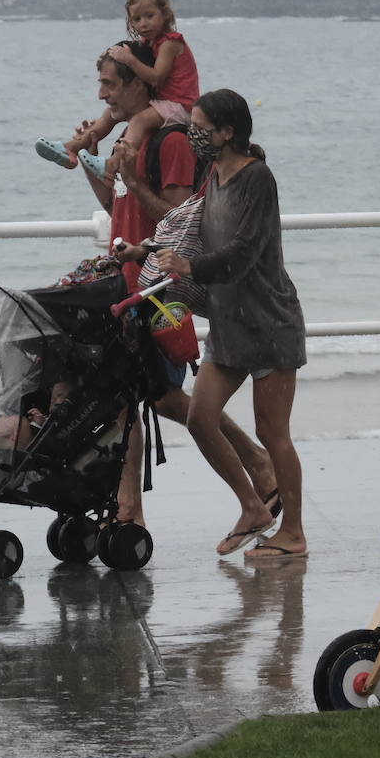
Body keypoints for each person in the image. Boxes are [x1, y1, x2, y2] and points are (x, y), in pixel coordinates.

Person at [76, 47, 279, 529]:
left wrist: (130, 179)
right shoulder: (130, 138)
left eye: (109, 84)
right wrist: (93, 164)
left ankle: (133, 514)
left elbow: (182, 218)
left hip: (158, 286)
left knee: (153, 395)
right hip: (126, 277)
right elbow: (118, 207)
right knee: (152, 396)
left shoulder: (170, 142)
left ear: (139, 85)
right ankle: (136, 510)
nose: (102, 95)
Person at [153, 89, 307, 561]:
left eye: (200, 126)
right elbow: (193, 232)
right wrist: (148, 253)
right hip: (228, 321)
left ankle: (294, 533)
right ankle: (253, 509)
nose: (191, 133)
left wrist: (189, 268)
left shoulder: (257, 179)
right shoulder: (212, 175)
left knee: (272, 432)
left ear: (227, 132)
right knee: (200, 418)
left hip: (269, 322)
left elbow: (243, 252)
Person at [36, 0, 199, 182]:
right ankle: (72, 148)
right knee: (109, 115)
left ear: (165, 14)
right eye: (137, 19)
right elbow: (132, 51)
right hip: (164, 102)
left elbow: (157, 77)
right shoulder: (149, 42)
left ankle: (112, 165)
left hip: (181, 106)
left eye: (149, 16)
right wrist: (109, 56)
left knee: (138, 120)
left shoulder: (170, 43)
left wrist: (129, 59)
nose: (143, 24)